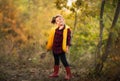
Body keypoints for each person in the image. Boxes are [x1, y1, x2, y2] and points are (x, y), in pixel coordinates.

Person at [46, 14, 72, 80]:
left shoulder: (67, 29)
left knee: (64, 61)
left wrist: (67, 46)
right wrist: (49, 45)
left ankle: (69, 74)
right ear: (56, 23)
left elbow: (68, 39)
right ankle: (56, 73)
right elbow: (52, 38)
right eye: (57, 20)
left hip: (61, 47)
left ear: (63, 20)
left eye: (60, 19)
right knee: (56, 60)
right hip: (55, 47)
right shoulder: (55, 29)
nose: (59, 21)